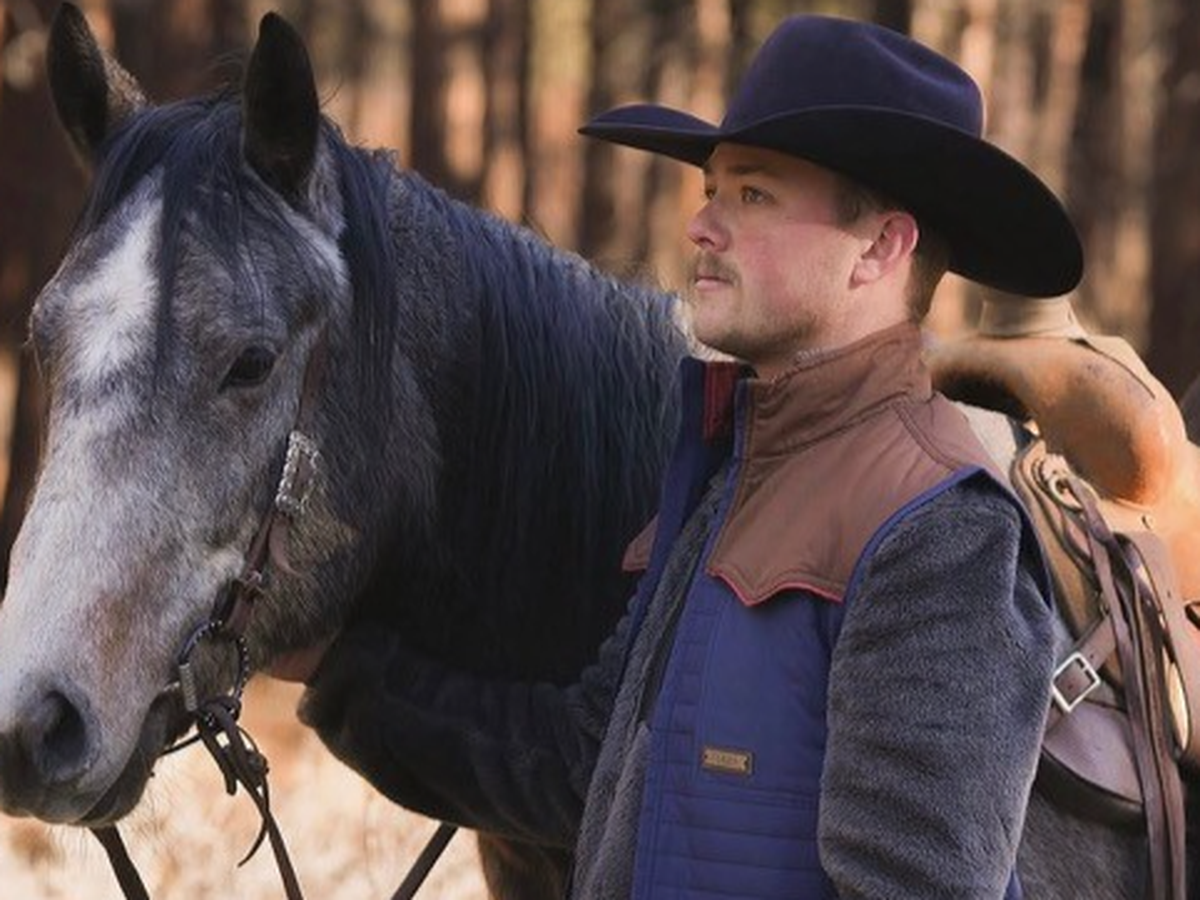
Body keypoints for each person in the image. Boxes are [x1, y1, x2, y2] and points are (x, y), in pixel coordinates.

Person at [296, 15, 1083, 899]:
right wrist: (344, 676)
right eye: (713, 190)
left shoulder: (941, 533)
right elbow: (583, 762)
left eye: (753, 195)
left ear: (880, 247)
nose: (702, 224)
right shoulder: (729, 473)